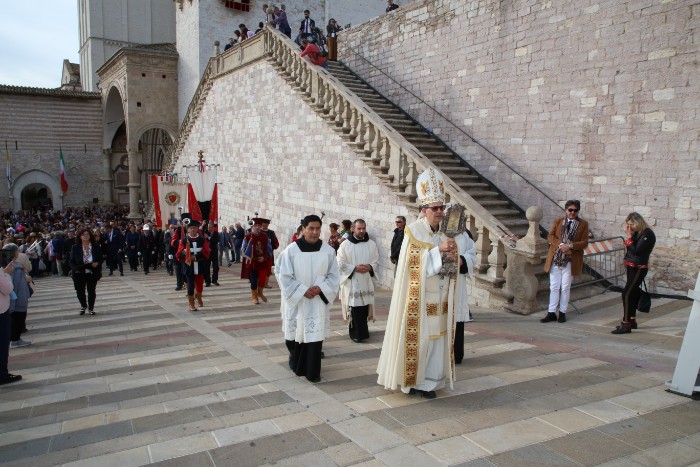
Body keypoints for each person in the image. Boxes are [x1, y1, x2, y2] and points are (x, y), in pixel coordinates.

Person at [377, 167, 462, 399]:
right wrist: (437, 251)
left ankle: (430, 384)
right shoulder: (413, 232)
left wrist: (452, 256)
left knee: (437, 342)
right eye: (435, 208)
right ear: (424, 210)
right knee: (420, 341)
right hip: (419, 299)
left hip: (440, 298)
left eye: (441, 207)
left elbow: (450, 266)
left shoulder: (444, 234)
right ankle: (411, 382)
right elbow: (412, 265)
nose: (440, 212)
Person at [277, 214, 339, 382]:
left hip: (317, 300)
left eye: (318, 228)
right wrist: (303, 290)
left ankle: (312, 372)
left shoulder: (328, 251)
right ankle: (296, 363)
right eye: (311, 228)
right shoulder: (291, 251)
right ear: (303, 229)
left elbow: (334, 276)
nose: (314, 232)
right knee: (294, 336)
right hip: (298, 301)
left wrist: (321, 288)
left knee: (314, 338)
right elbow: (284, 276)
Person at [540, 200, 589, 324]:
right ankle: (551, 312)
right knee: (554, 287)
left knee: (565, 287)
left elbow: (584, 242)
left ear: (578, 211)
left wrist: (570, 246)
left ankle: (562, 312)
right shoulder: (558, 221)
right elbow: (550, 236)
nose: (572, 212)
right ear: (566, 210)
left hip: (571, 259)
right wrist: (561, 245)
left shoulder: (583, 224)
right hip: (556, 258)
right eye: (570, 210)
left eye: (575, 210)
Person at [614, 212, 656, 334]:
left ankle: (626, 323)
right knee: (632, 293)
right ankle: (632, 320)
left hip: (639, 268)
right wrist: (631, 236)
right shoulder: (637, 233)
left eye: (631, 224)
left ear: (638, 223)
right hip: (631, 266)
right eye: (627, 224)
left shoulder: (647, 233)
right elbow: (631, 250)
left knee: (626, 294)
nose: (629, 227)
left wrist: (629, 237)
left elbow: (637, 250)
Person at [337, 219, 379, 343]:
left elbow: (376, 260)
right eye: (359, 228)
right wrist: (354, 268)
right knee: (355, 308)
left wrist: (369, 267)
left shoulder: (371, 244)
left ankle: (363, 332)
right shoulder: (345, 245)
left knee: (365, 307)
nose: (361, 231)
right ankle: (356, 333)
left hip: (366, 280)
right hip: (353, 281)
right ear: (353, 229)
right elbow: (339, 262)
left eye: (363, 228)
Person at [176, 219, 211, 311]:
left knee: (199, 286)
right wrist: (185, 254)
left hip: (200, 265)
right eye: (191, 228)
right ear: (188, 230)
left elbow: (206, 252)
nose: (193, 230)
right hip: (189, 267)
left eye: (195, 228)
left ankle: (199, 298)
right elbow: (179, 253)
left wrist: (195, 257)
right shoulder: (184, 240)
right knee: (190, 286)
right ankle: (191, 304)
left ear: (197, 229)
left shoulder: (202, 240)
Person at [454, 229, 477, 363]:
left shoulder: (464, 234)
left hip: (458, 283)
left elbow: (472, 253)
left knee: (457, 316)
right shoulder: (433, 232)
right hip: (439, 284)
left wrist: (463, 260)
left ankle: (456, 354)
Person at [69, 228, 103, 315]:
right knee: (80, 291)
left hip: (92, 271)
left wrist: (97, 263)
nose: (86, 236)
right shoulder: (75, 247)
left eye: (87, 234)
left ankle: (91, 308)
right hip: (79, 271)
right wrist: (76, 269)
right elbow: (72, 261)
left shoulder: (95, 246)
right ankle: (83, 305)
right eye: (83, 234)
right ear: (80, 236)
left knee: (91, 290)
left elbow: (100, 258)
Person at [3, 244, 32, 348]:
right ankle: (15, 340)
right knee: (18, 319)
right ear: (14, 253)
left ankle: (15, 338)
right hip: (18, 298)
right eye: (17, 251)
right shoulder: (14, 267)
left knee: (16, 319)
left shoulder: (7, 265)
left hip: (14, 298)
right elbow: (14, 284)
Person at [241, 217, 273, 305]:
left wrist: (264, 257)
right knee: (254, 280)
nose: (258, 227)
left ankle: (260, 293)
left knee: (262, 279)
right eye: (256, 226)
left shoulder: (265, 236)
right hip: (253, 263)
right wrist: (248, 257)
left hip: (262, 262)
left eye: (259, 225)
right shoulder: (248, 236)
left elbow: (269, 250)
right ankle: (254, 297)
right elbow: (243, 250)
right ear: (252, 226)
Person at [0, 255, 21, 385]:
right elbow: (7, 289)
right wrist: (6, 274)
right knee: (2, 344)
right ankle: (2, 374)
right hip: (1, 311)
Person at [261, 219, 279, 288]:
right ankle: (260, 283)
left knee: (268, 270)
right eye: (263, 224)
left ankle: (266, 284)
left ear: (268, 225)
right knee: (260, 269)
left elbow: (276, 242)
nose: (264, 225)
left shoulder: (271, 233)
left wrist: (272, 247)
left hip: (269, 255)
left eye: (265, 224)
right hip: (260, 254)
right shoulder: (259, 232)